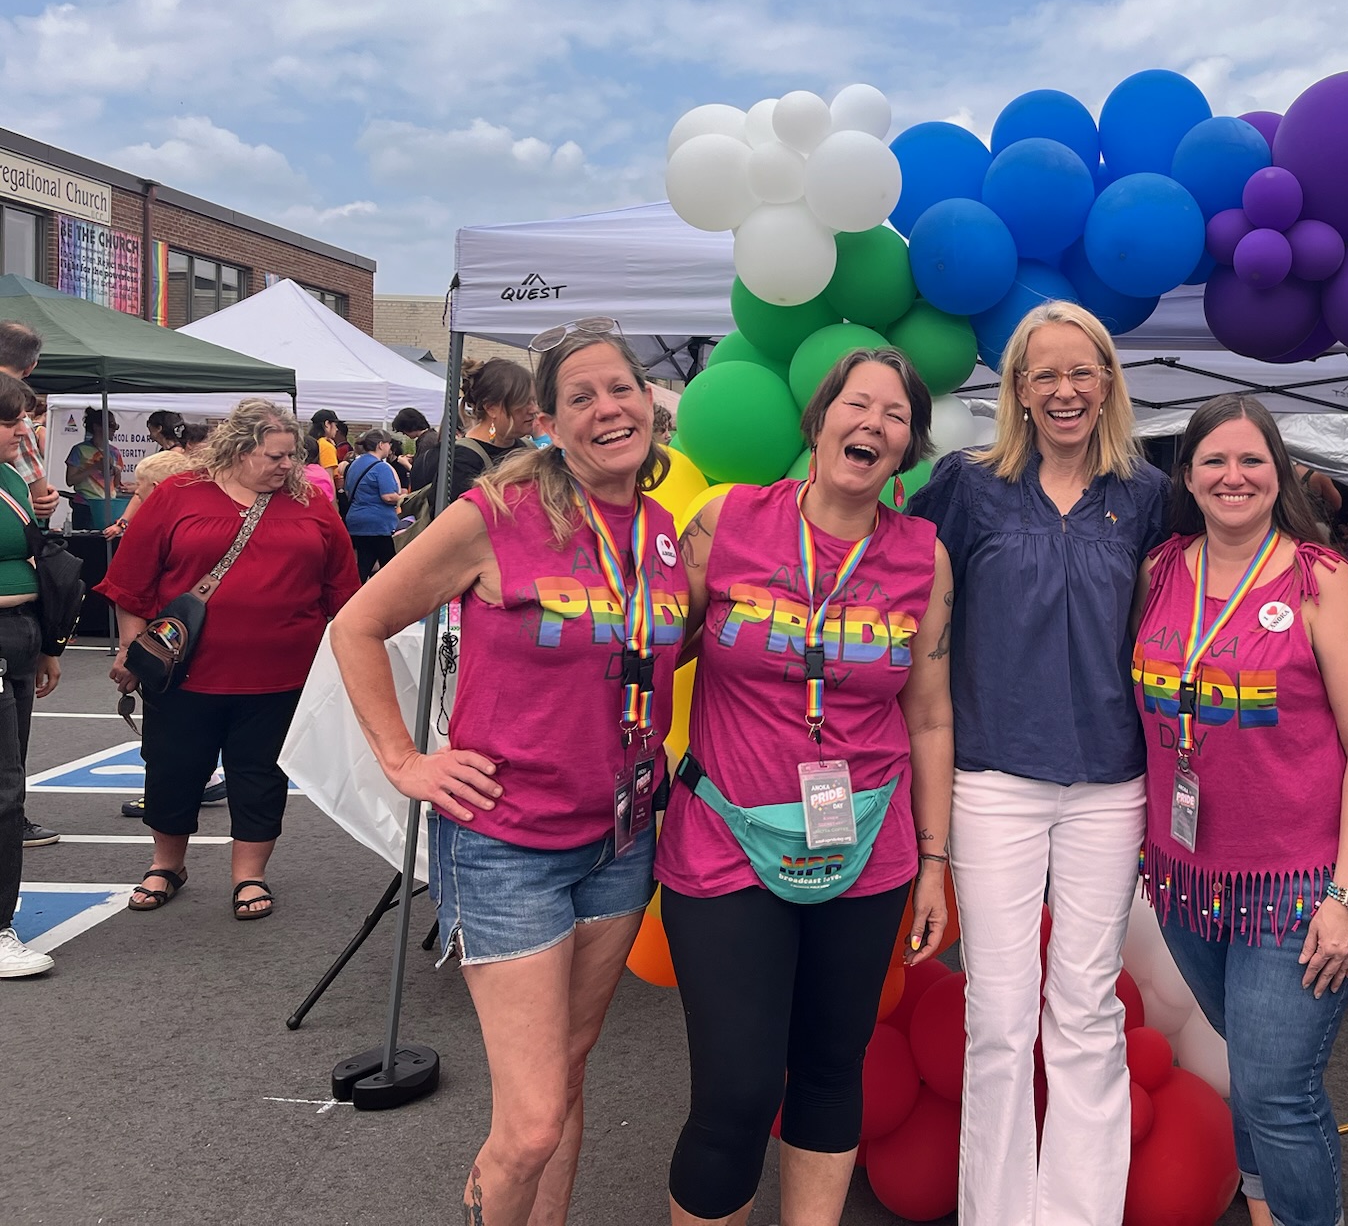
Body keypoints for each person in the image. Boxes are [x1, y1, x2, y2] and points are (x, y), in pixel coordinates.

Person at [333, 324, 688, 1226]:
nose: (608, 409)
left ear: (650, 403)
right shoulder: (493, 514)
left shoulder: (661, 532)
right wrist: (403, 760)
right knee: (529, 1125)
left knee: (566, 1074)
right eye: (581, 397)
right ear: (549, 422)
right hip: (506, 846)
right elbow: (357, 625)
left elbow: (663, 651)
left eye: (621, 389)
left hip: (619, 839)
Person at [659, 347, 954, 1226]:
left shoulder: (923, 557)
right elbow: (653, 647)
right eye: (857, 404)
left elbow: (930, 717)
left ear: (907, 448)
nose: (873, 424)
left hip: (866, 847)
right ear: (818, 421)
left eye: (895, 415)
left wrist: (935, 863)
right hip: (724, 840)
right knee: (737, 1090)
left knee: (830, 1071)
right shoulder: (728, 519)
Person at [908, 301, 1169, 1226]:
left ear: (1108, 384)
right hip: (992, 779)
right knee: (999, 1016)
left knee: (1088, 1010)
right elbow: (902, 599)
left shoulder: (1147, 494)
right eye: (1044, 373)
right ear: (1018, 388)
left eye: (1081, 371)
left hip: (1110, 782)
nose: (1064, 390)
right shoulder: (967, 485)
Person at [1133, 395, 1348, 1226]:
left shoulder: (1323, 580)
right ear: (1188, 476)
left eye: (1252, 460)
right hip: (1188, 879)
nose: (1233, 476)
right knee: (1248, 1062)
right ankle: (1262, 1200)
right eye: (1215, 460)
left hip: (1301, 887)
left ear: (1280, 473)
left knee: (1278, 1088)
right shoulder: (1160, 571)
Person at [99, 400, 359, 921]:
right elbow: (131, 580)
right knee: (173, 769)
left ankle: (249, 874)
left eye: (292, 455)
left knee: (260, 774)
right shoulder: (179, 494)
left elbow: (344, 588)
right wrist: (130, 648)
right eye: (275, 456)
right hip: (185, 671)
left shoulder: (310, 503)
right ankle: (167, 864)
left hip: (282, 673)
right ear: (239, 450)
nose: (287, 465)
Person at [0, 374, 63, 976]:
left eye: (23, 418)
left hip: (19, 632)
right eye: (9, 421)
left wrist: (46, 644)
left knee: (10, 781)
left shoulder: (13, 477)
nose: (23, 431)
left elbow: (36, 552)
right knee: (3, 787)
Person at [413, 358, 539, 513]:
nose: (534, 409)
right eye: (523, 402)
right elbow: (452, 522)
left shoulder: (528, 448)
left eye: (534, 400)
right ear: (491, 408)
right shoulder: (462, 461)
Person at [0, 322, 56, 522]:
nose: (21, 430)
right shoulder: (14, 408)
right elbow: (40, 500)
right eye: (11, 422)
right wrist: (43, 497)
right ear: (31, 366)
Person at [340, 430, 406, 580]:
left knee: (364, 563)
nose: (390, 447)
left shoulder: (354, 464)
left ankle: (355, 591)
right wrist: (404, 498)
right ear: (381, 445)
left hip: (356, 520)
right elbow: (388, 496)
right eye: (389, 444)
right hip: (378, 523)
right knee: (389, 566)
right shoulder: (381, 467)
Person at [65, 408, 127, 530]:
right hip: (85, 506)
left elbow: (116, 484)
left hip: (107, 506)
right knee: (85, 540)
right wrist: (94, 468)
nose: (114, 429)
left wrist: (116, 472)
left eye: (116, 426)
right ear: (97, 427)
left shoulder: (114, 452)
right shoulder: (79, 450)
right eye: (111, 425)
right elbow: (70, 480)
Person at [309, 409, 344, 474]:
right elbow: (328, 476)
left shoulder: (310, 443)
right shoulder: (326, 446)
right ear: (327, 424)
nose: (336, 429)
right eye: (335, 425)